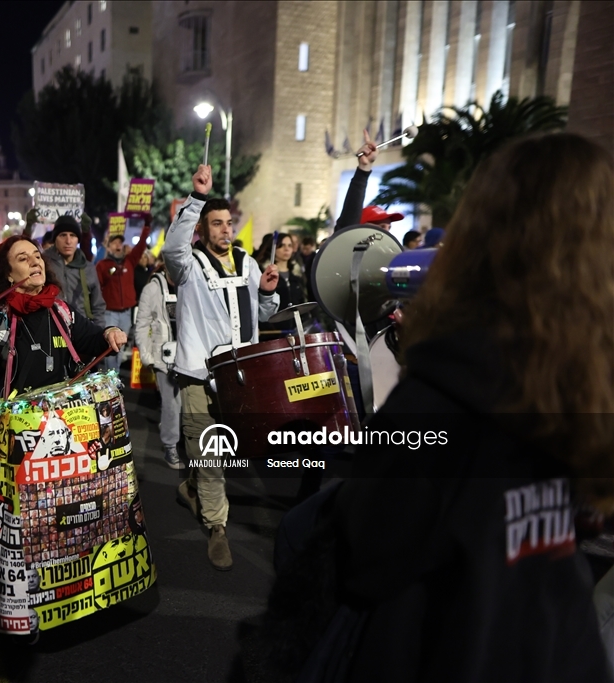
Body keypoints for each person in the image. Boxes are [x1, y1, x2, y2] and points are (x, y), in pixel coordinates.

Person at [263, 133, 614, 682]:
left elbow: (369, 553)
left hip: (443, 647)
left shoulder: (454, 380)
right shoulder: (586, 377)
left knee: (301, 528)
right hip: (552, 646)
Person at [162, 164, 280, 571]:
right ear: (203, 229)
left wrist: (268, 293)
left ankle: (192, 486)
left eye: (229, 223)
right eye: (216, 224)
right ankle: (217, 528)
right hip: (197, 376)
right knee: (209, 453)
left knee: (220, 449)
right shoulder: (187, 264)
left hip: (238, 377)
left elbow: (261, 313)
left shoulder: (248, 263)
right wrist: (195, 198)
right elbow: (171, 248)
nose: (225, 230)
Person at [0, 234, 127, 452]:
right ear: (8, 274)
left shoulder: (61, 310)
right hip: (14, 441)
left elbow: (94, 339)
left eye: (37, 256)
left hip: (59, 432)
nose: (36, 262)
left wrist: (111, 332)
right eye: (23, 259)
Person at [133, 258, 183, 469]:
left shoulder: (189, 284)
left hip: (190, 355)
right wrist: (147, 356)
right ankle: (170, 446)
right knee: (172, 404)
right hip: (164, 357)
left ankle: (181, 439)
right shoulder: (153, 288)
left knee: (185, 404)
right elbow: (142, 324)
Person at [96, 220, 152, 370]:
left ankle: (115, 375)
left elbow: (140, 247)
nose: (118, 246)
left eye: (120, 243)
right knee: (110, 347)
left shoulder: (129, 261)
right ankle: (110, 377)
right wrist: (112, 270)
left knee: (119, 346)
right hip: (110, 313)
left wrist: (146, 227)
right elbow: (98, 285)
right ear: (109, 246)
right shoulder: (103, 265)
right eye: (114, 243)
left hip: (126, 313)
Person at [41, 215, 107, 325]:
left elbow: (97, 306)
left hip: (82, 330)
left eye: (72, 235)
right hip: (51, 328)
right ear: (55, 239)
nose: (68, 241)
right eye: (63, 235)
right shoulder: (43, 264)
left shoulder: (88, 268)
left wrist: (98, 334)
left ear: (78, 239)